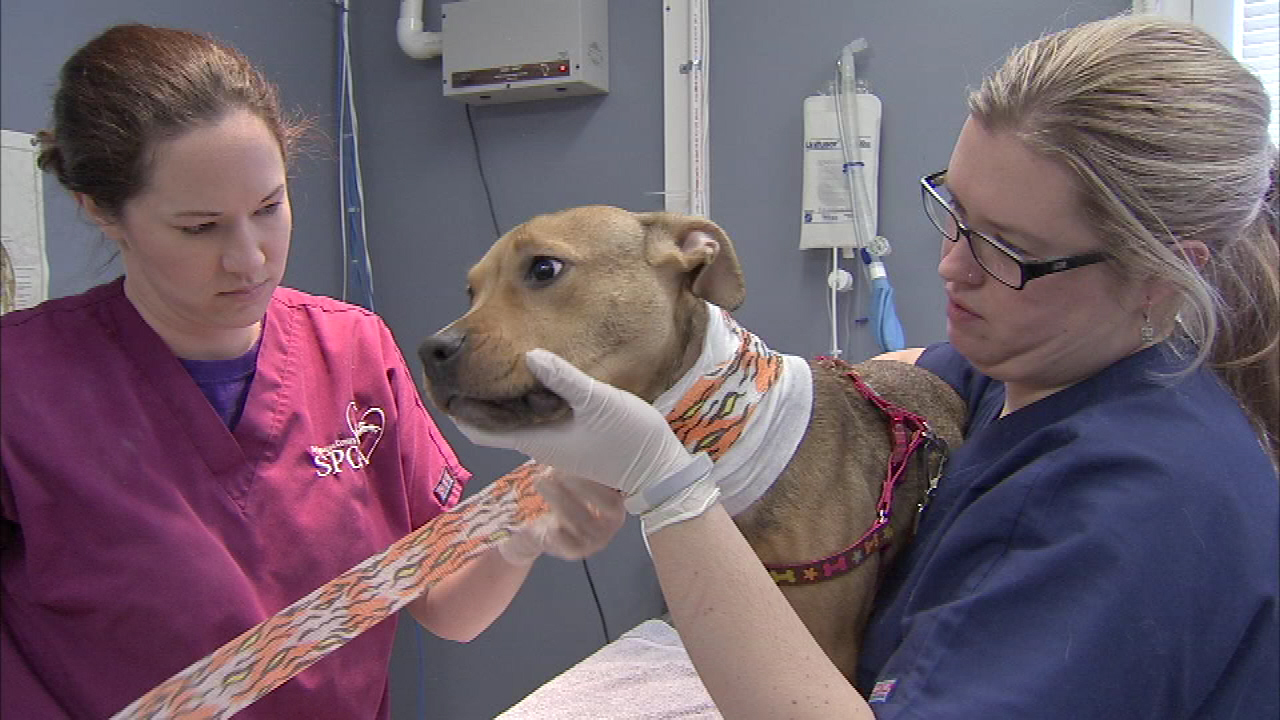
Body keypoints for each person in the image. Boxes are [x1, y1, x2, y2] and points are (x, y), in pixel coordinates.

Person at [460, 14, 1280, 719]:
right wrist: (672, 430)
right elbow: (880, 380)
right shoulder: (1022, 375)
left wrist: (667, 487)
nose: (952, 267)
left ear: (1161, 278)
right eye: (955, 212)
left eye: (1009, 251)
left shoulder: (1141, 502)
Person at [0, 23, 624, 719]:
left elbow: (448, 608)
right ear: (101, 212)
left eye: (269, 208)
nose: (251, 258)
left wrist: (529, 521)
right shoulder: (21, 388)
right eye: (200, 228)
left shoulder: (350, 350)